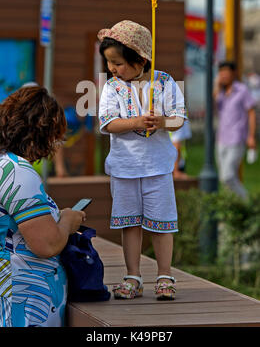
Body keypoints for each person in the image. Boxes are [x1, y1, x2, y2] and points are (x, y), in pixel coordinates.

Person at [98, 20, 187, 300]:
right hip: (124, 167)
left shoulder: (164, 82)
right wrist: (135, 121)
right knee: (130, 223)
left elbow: (179, 118)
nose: (112, 68)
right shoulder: (112, 87)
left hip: (158, 167)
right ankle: (133, 276)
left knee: (162, 223)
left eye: (118, 62)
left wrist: (162, 121)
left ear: (140, 59)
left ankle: (164, 275)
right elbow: (108, 122)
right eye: (109, 62)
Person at [0, 86, 86, 327]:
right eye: (54, 136)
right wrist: (68, 220)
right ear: (41, 131)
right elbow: (45, 244)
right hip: (23, 305)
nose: (55, 144)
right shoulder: (16, 172)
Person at [213, 60, 257, 200]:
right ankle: (232, 211)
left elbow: (251, 112)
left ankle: (246, 202)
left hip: (237, 138)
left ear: (234, 73)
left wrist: (251, 136)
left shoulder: (242, 90)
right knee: (223, 179)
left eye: (226, 72)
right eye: (221, 72)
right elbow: (213, 110)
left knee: (228, 176)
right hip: (221, 139)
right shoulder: (220, 91)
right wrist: (216, 86)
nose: (224, 75)